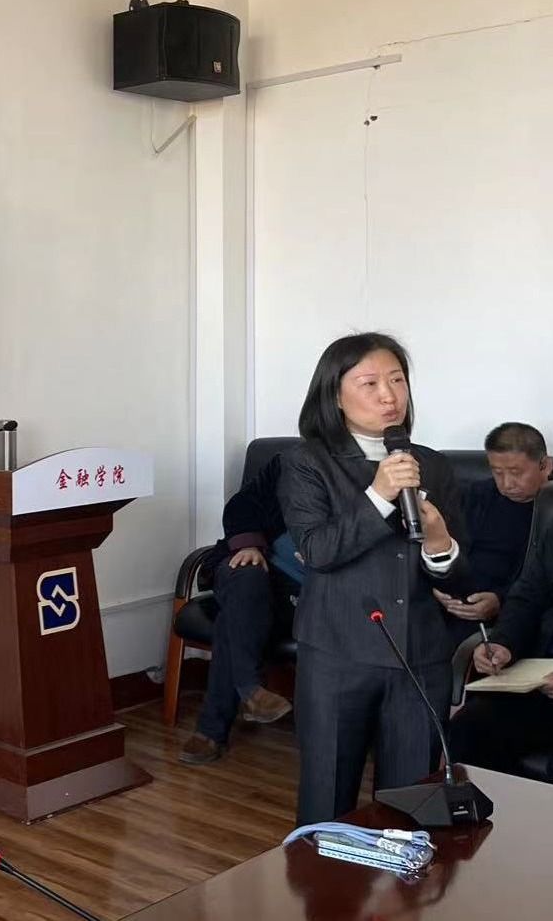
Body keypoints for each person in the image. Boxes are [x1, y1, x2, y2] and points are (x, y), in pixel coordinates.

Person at [278, 332, 472, 825]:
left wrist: (439, 543)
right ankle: (324, 879)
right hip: (338, 653)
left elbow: (457, 578)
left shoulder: (432, 464)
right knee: (328, 798)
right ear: (335, 396)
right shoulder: (307, 462)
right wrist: (378, 495)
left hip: (420, 656)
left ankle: (406, 877)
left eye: (397, 380)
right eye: (370, 383)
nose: (389, 395)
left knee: (412, 805)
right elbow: (318, 552)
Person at [448, 450, 553, 790]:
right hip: (546, 673)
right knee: (471, 728)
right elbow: (527, 596)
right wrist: (503, 643)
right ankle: (491, 819)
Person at [180, 453, 303, 764]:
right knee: (247, 578)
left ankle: (217, 724)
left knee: (233, 618)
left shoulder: (376, 475)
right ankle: (250, 690)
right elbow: (242, 505)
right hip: (251, 563)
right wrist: (249, 544)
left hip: (303, 590)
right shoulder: (290, 461)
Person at [433, 422, 553, 642]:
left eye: (516, 473)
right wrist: (437, 584)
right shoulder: (474, 496)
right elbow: (440, 545)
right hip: (451, 602)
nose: (506, 484)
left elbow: (552, 580)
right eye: (497, 472)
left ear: (545, 466)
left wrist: (501, 600)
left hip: (508, 613)